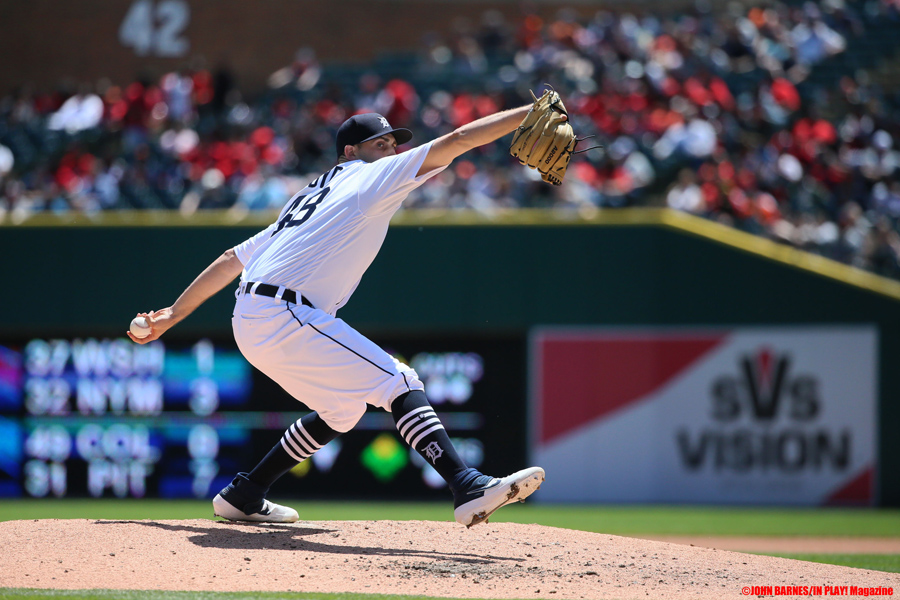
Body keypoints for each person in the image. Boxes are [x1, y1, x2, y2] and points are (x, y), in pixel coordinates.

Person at [128, 105, 547, 527]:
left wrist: (172, 315)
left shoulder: (308, 197)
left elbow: (229, 259)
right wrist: (529, 112)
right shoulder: (369, 177)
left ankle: (245, 493)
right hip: (283, 312)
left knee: (342, 411)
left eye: (393, 144)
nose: (391, 151)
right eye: (379, 144)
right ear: (350, 151)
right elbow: (457, 140)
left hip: (253, 318)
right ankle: (466, 485)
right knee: (399, 381)